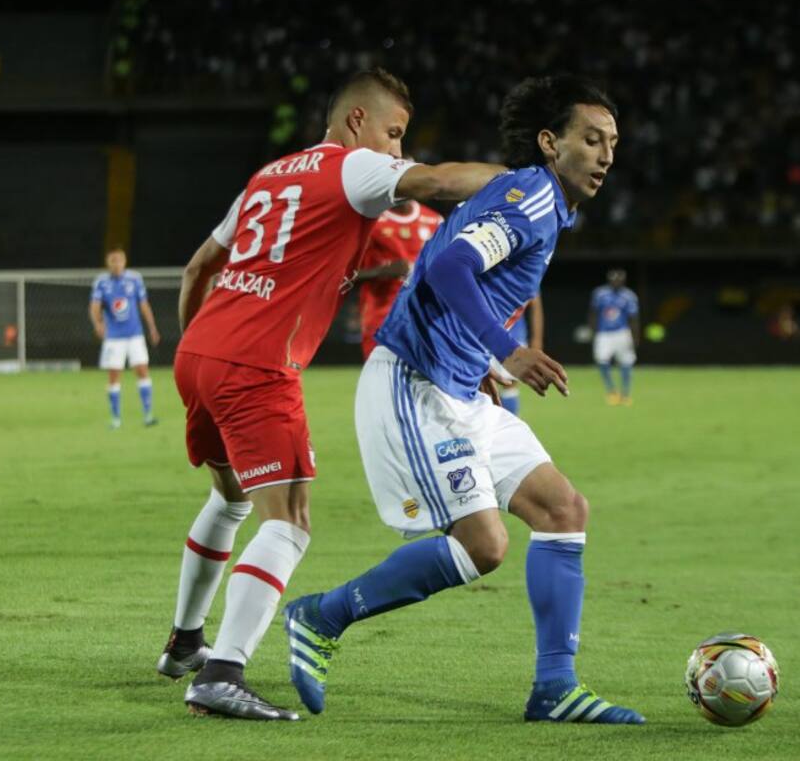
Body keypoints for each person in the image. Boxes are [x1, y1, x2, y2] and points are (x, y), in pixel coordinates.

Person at [283, 75, 645, 725]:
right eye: (591, 139)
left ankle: (555, 689)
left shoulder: (537, 202)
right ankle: (320, 616)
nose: (605, 154)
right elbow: (450, 268)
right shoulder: (531, 196)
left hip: (462, 386)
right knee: (484, 544)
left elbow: (445, 266)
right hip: (414, 382)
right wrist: (505, 350)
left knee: (564, 510)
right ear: (548, 142)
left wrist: (483, 358)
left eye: (612, 142)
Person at [162, 67, 504, 721]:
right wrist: (526, 183)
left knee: (230, 496)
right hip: (256, 363)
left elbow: (197, 268)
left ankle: (185, 643)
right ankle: (222, 673)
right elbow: (437, 181)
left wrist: (200, 348)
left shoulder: (269, 175)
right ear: (356, 122)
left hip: (200, 351)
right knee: (288, 523)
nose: (398, 151)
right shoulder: (355, 168)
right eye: (394, 133)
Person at [356, 196, 443, 360]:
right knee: (381, 380)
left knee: (424, 382)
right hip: (382, 317)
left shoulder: (434, 220)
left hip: (426, 315)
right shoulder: (369, 222)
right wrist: (381, 271)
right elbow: (343, 275)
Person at [88, 249, 162, 428]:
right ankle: (116, 419)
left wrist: (152, 327)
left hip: (135, 335)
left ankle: (148, 415)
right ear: (108, 263)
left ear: (125, 261)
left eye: (119, 260)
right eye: (113, 261)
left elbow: (143, 304)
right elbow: (94, 306)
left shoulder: (135, 279)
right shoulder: (102, 282)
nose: (116, 264)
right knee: (114, 376)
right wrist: (97, 324)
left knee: (143, 371)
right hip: (114, 338)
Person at [589, 269, 639, 405]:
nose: (616, 282)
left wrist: (635, 337)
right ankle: (612, 391)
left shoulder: (629, 296)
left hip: (622, 332)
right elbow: (593, 313)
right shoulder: (600, 294)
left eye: (619, 280)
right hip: (604, 333)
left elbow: (633, 318)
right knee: (602, 361)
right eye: (614, 280)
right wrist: (593, 333)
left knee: (626, 362)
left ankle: (626, 393)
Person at [496, 294, 544, 416]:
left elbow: (535, 304)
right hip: (508, 338)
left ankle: (506, 428)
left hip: (512, 338)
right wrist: (536, 341)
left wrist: (536, 340)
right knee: (504, 387)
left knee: (508, 385)